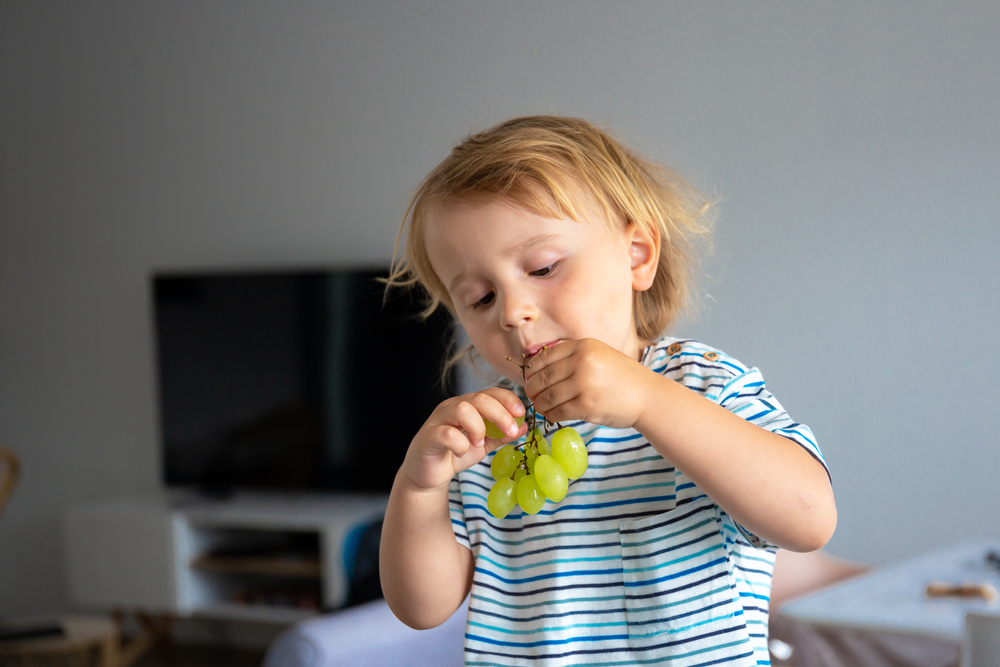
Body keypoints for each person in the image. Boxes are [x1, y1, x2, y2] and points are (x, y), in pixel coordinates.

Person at [379, 115, 837, 666]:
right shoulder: (491, 436)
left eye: (544, 267)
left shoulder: (703, 385)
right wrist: (418, 489)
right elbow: (421, 608)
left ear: (637, 255)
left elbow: (810, 517)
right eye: (479, 299)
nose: (512, 312)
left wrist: (645, 401)